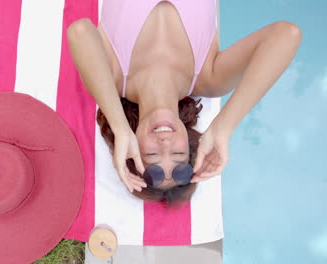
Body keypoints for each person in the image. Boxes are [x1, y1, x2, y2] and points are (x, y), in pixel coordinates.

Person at [67, 0, 301, 207]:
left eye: (153, 154)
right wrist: (223, 127)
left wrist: (119, 126)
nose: (165, 142)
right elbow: (287, 34)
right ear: (189, 141)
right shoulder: (210, 78)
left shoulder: (112, 79)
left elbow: (79, 32)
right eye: (178, 152)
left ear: (133, 146)